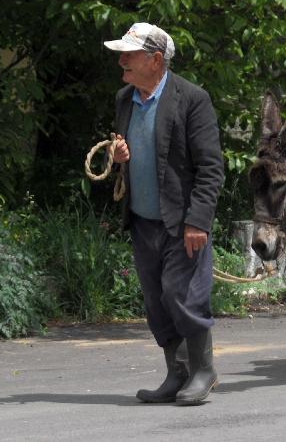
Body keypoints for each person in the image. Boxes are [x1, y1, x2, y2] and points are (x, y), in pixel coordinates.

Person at [103, 22, 224, 405]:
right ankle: (178, 374)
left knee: (182, 295)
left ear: (155, 60)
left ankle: (204, 371)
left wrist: (198, 220)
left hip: (182, 222)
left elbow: (210, 167)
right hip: (143, 221)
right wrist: (120, 157)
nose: (121, 60)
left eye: (130, 54)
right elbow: (138, 154)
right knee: (156, 302)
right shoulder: (126, 98)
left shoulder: (192, 99)